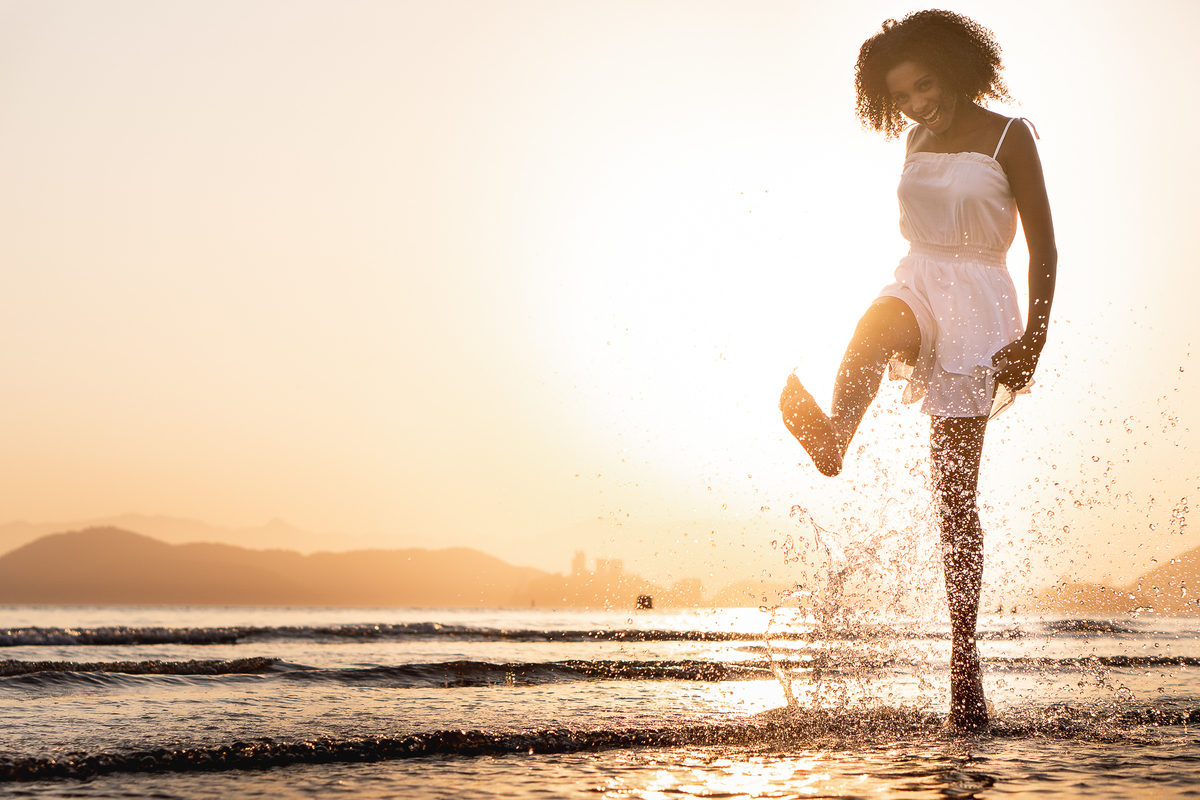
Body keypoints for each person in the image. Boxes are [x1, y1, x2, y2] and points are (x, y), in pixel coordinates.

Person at [779, 10, 1056, 730]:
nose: (918, 105)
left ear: (955, 69)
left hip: (981, 306)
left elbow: (1045, 250)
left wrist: (1033, 340)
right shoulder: (914, 140)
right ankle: (836, 438)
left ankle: (966, 668)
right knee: (875, 328)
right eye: (902, 97)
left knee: (953, 500)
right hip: (918, 278)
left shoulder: (1009, 136)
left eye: (925, 86)